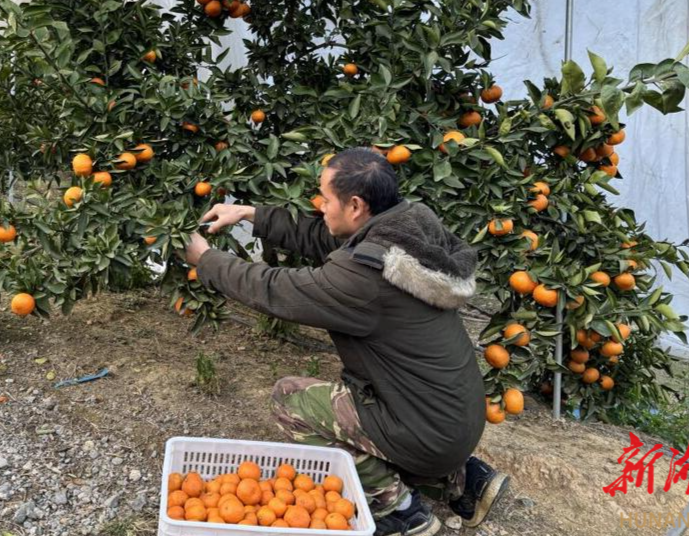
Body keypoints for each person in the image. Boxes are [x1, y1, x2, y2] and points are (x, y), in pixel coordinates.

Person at [185, 147, 509, 536]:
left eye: (325, 198)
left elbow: (275, 290)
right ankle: (465, 482)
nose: (320, 205)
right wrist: (249, 213)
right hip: (458, 418)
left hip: (428, 431)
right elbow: (322, 236)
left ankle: (398, 510)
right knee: (392, 406)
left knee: (290, 399)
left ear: (355, 205)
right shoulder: (409, 226)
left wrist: (206, 259)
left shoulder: (363, 279)